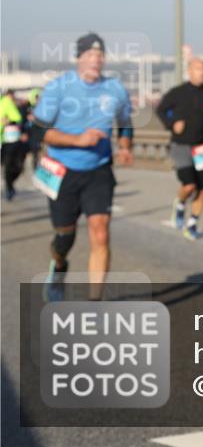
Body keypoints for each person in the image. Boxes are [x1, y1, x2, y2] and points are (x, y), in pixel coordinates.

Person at [33, 33, 133, 302]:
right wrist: (77, 139)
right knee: (64, 237)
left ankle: (95, 303)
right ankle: (59, 267)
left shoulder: (115, 89)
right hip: (63, 171)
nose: (95, 60)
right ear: (78, 58)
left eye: (99, 55)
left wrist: (125, 145)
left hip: (99, 170)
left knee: (100, 231)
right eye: (89, 54)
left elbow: (125, 122)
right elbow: (38, 132)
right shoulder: (58, 88)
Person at [156, 57, 203, 240]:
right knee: (190, 185)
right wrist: (172, 124)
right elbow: (160, 109)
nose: (202, 72)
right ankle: (180, 204)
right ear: (189, 71)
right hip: (181, 145)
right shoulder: (178, 92)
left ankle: (192, 224)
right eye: (198, 69)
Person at [1, 89, 29, 200]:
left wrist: (23, 132)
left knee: (19, 166)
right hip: (5, 142)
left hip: (17, 141)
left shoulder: (19, 107)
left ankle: (10, 184)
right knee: (8, 166)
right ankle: (9, 188)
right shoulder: (3, 105)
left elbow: (22, 121)